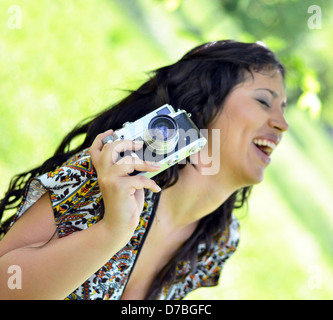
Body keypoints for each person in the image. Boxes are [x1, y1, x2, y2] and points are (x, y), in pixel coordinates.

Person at [0, 40, 288, 300]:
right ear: (202, 108)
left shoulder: (218, 240)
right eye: (264, 101)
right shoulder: (113, 171)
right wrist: (112, 231)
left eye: (284, 109)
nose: (282, 124)